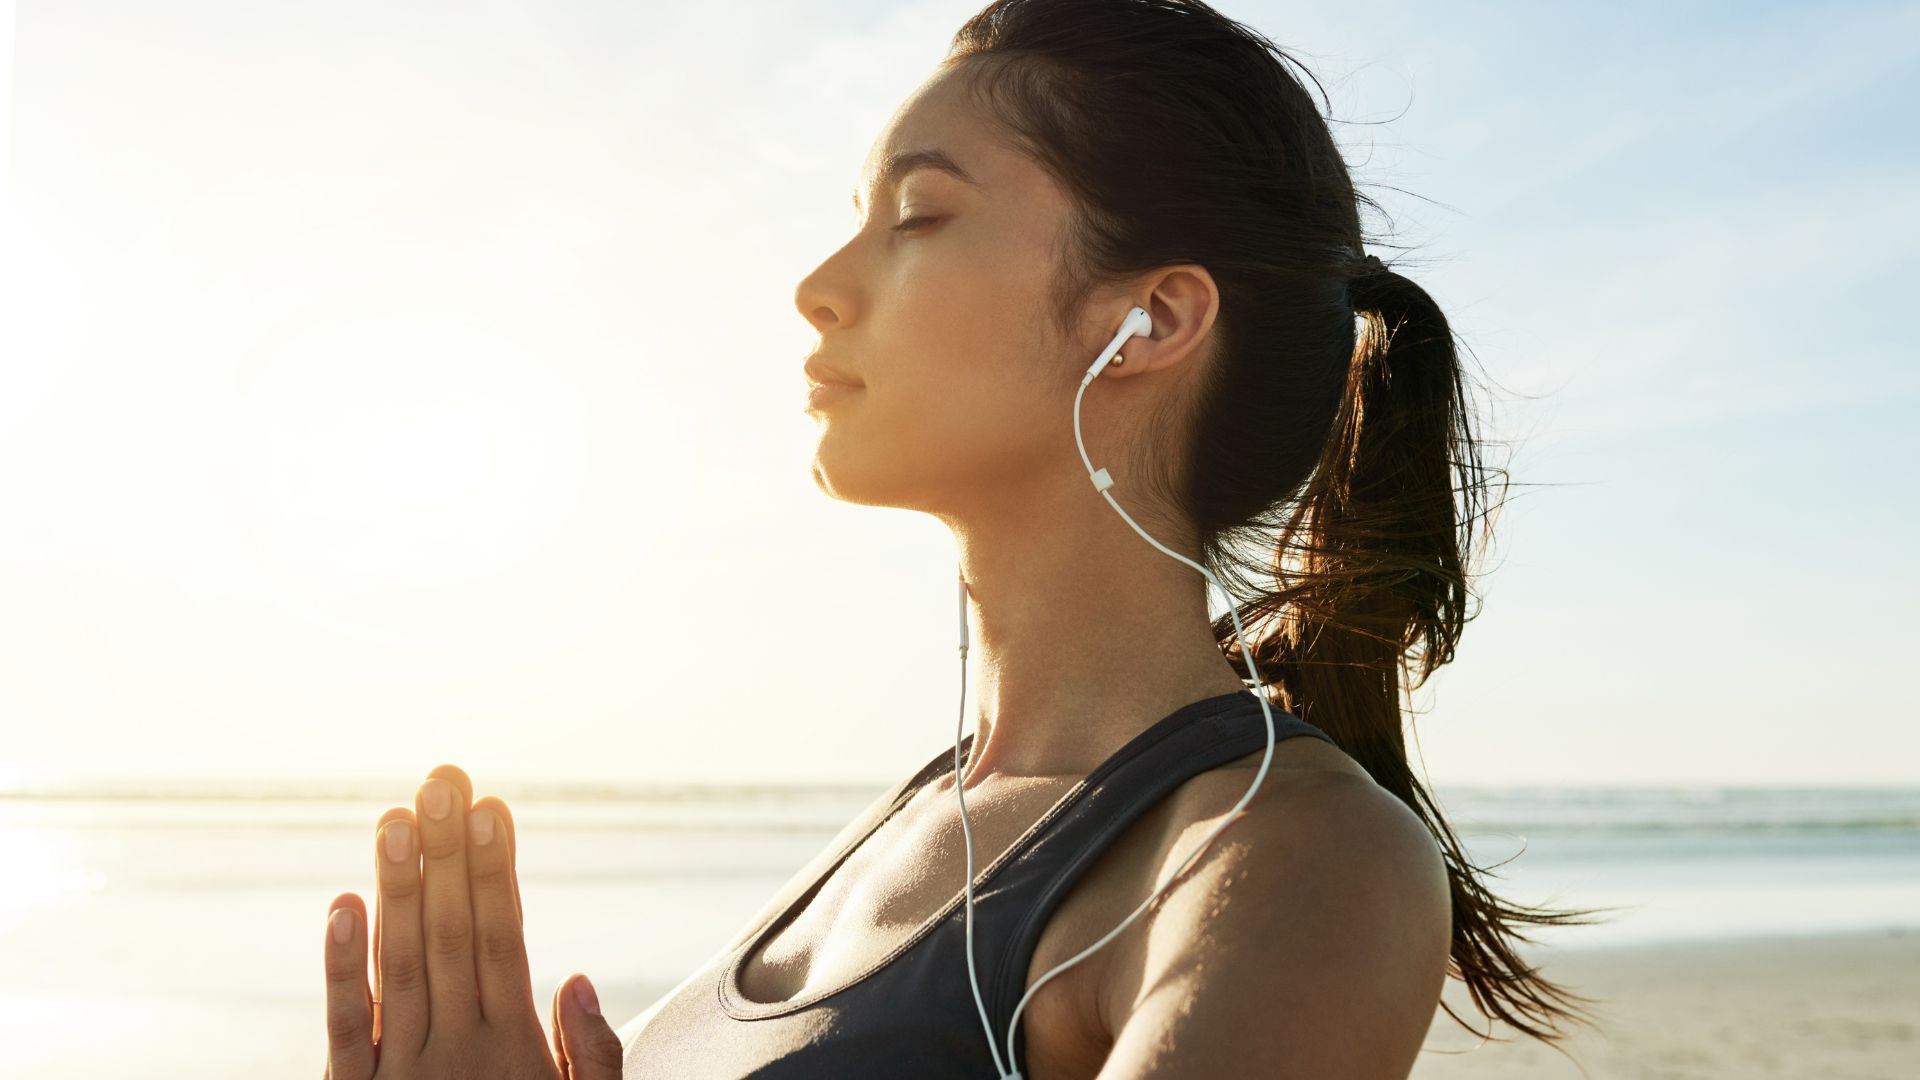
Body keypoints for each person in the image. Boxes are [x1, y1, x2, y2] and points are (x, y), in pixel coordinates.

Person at [322, 2, 1609, 1077]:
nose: (818, 282)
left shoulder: (1289, 857)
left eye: (918, 216)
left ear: (1150, 322)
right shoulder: (913, 823)